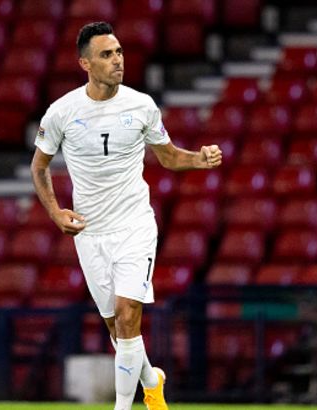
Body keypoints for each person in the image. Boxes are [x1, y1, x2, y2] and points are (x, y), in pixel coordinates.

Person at [30, 21, 222, 410]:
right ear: (85, 64)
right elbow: (39, 167)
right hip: (89, 232)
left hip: (134, 225)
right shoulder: (62, 112)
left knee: (127, 312)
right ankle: (152, 380)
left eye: (118, 52)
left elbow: (169, 157)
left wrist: (199, 159)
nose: (117, 60)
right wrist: (55, 212)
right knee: (117, 327)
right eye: (106, 54)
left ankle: (123, 407)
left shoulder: (142, 106)